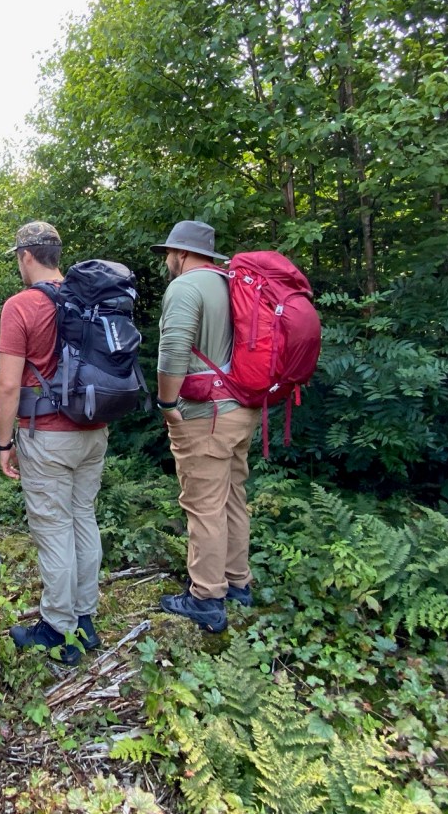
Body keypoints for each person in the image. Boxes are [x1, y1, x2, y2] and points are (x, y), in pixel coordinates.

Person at [0, 221, 107, 665]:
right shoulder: (89, 298)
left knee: (54, 528)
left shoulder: (20, 306)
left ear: (26, 255)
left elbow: (6, 386)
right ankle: (85, 619)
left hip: (47, 434)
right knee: (84, 518)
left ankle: (58, 629)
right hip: (94, 431)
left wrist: (4, 444)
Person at [151, 220, 260, 633]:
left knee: (204, 505)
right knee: (233, 496)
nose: (167, 260)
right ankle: (237, 582)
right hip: (241, 408)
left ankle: (206, 597)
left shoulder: (185, 287)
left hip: (206, 415)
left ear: (181, 253)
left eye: (169, 253)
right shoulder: (232, 283)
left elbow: (174, 348)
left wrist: (166, 403)